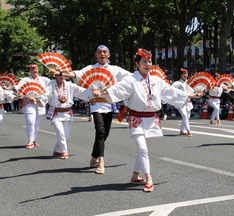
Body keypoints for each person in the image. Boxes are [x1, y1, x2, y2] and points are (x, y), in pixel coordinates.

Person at [93, 48, 202, 192]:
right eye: (144, 61)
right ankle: (149, 178)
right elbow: (117, 89)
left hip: (152, 119)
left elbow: (170, 92)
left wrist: (191, 95)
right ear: (137, 64)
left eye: (149, 61)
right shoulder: (131, 79)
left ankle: (135, 175)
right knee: (142, 149)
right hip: (136, 118)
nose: (148, 64)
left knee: (144, 150)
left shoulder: (156, 80)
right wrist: (101, 91)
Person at [49, 45, 130, 174]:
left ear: (109, 55)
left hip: (108, 103)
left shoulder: (115, 70)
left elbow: (130, 78)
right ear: (96, 55)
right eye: (100, 52)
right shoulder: (90, 69)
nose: (102, 54)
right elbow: (76, 74)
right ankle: (101, 161)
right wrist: (60, 73)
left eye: (105, 52)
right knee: (100, 130)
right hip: (95, 104)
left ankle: (93, 157)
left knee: (104, 134)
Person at [34, 73, 93, 159]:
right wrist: (37, 99)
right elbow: (45, 95)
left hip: (67, 113)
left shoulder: (70, 85)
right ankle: (65, 152)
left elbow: (81, 91)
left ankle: (57, 150)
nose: (61, 76)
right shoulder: (50, 86)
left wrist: (93, 93)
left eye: (63, 74)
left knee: (66, 135)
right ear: (55, 76)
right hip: (56, 113)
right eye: (59, 74)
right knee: (60, 133)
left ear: (66, 75)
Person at [13, 64, 51, 149]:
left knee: (37, 123)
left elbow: (51, 85)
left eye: (36, 69)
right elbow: (18, 87)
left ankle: (33, 140)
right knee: (31, 121)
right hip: (28, 102)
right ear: (29, 71)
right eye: (32, 69)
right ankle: (30, 140)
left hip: (40, 103)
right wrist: (11, 88)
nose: (35, 71)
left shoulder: (44, 79)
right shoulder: (26, 80)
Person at [171, 68, 201, 136]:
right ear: (180, 75)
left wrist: (197, 94)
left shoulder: (189, 83)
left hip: (188, 101)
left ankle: (182, 130)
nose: (185, 75)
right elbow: (173, 91)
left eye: (186, 73)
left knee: (187, 116)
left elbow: (192, 92)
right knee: (184, 115)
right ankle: (188, 130)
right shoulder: (177, 83)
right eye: (184, 74)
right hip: (180, 102)